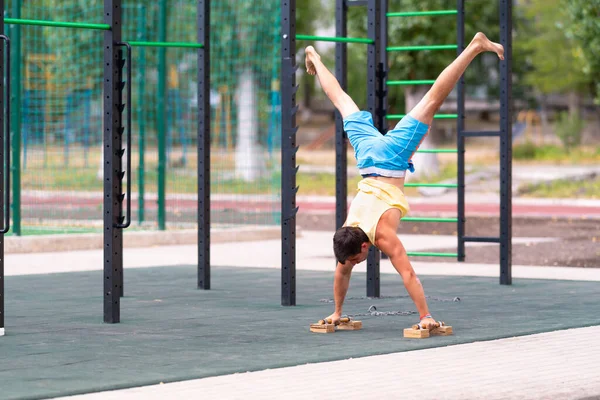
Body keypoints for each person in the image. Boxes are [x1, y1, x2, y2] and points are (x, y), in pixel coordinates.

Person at [305, 32, 504, 330]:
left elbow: (407, 273)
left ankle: (475, 46)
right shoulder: (348, 231)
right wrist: (337, 312)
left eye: (357, 261)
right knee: (343, 102)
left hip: (390, 158)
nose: (355, 264)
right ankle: (316, 58)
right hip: (367, 158)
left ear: (363, 249)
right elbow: (342, 270)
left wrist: (426, 317)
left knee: (433, 100)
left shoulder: (381, 235)